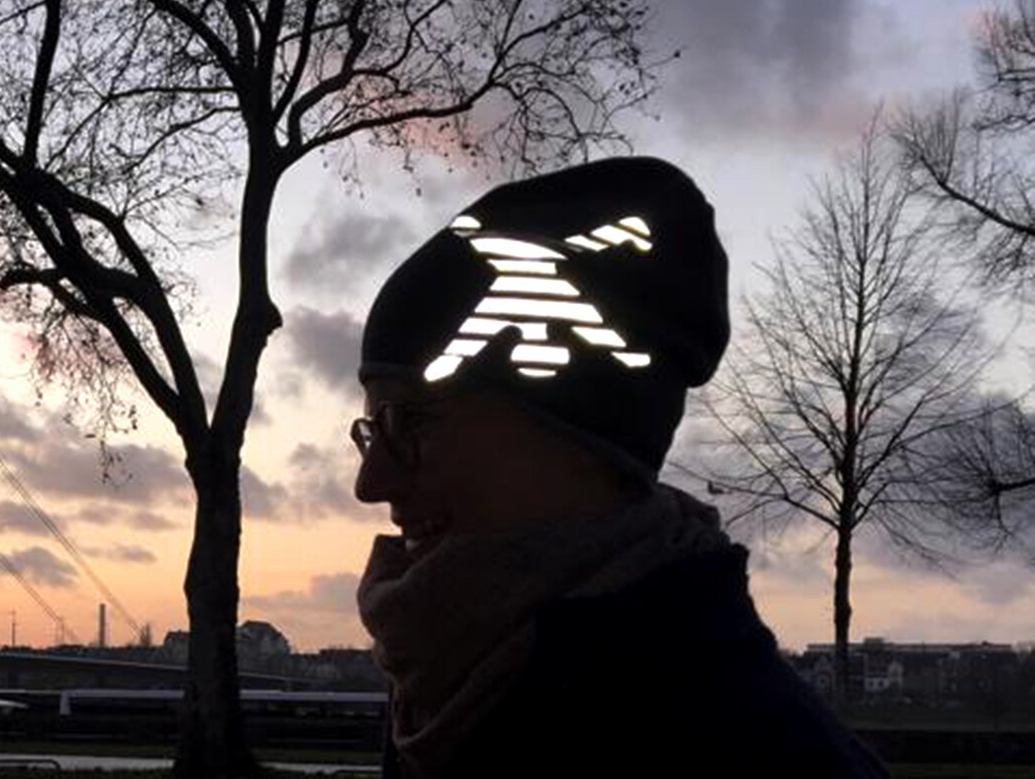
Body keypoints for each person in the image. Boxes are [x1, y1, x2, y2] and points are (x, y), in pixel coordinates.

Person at [351, 157, 890, 778]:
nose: (372, 483)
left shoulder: (768, 755)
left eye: (408, 421)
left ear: (580, 441)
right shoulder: (449, 676)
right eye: (371, 432)